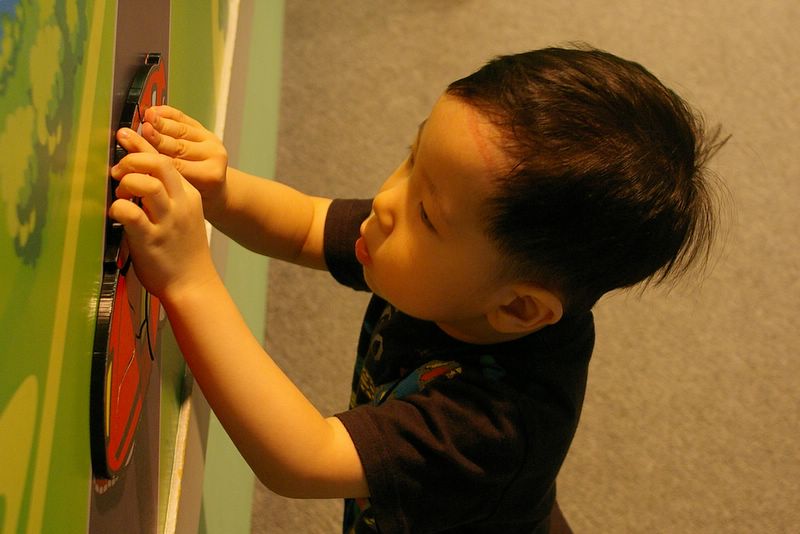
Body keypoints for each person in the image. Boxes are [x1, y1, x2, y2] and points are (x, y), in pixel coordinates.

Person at [109, 46, 726, 533]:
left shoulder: (494, 427)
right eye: (411, 156)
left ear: (518, 306)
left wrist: (189, 281)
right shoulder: (435, 261)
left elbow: (302, 458)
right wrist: (222, 191)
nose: (386, 201)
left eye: (427, 211)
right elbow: (306, 225)